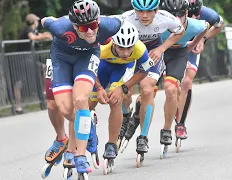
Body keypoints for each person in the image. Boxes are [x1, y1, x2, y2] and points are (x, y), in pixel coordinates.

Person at [41, 0, 122, 179]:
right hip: (61, 59)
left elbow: (125, 20)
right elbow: (44, 21)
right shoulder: (60, 27)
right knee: (67, 111)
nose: (90, 31)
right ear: (75, 26)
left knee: (80, 100)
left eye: (93, 25)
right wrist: (51, 19)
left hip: (87, 56)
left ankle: (80, 155)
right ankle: (88, 125)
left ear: (98, 21)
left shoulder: (111, 25)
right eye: (84, 28)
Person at [115, 0, 184, 164]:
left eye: (149, 11)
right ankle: (126, 116)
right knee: (125, 92)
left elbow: (180, 32)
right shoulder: (124, 18)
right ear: (134, 10)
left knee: (147, 90)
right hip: (129, 55)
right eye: (140, 11)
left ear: (157, 10)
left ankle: (143, 136)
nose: (144, 16)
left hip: (151, 54)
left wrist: (162, 48)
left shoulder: (166, 18)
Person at [88, 21, 154, 170]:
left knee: (115, 100)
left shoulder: (140, 49)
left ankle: (111, 144)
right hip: (103, 66)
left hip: (123, 70)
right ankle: (90, 132)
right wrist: (98, 88)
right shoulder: (102, 46)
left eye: (129, 48)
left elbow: (143, 71)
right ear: (113, 43)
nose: (125, 53)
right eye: (121, 48)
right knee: (89, 105)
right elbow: (88, 68)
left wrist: (123, 88)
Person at [159, 0, 209, 153]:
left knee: (186, 82)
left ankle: (180, 123)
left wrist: (198, 42)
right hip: (162, 50)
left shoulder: (200, 13)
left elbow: (213, 25)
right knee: (169, 89)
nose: (176, 18)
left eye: (180, 14)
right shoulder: (160, 18)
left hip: (184, 48)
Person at [175, 0, 224, 139]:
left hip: (191, 48)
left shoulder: (206, 12)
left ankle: (181, 124)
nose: (195, 17)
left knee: (186, 82)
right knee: (173, 86)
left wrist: (202, 39)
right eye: (190, 14)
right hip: (174, 47)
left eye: (197, 13)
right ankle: (174, 107)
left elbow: (219, 24)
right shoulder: (171, 9)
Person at [10, 13, 52, 114]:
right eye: (36, 21)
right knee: (43, 68)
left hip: (25, 58)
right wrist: (43, 36)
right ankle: (44, 93)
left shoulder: (32, 30)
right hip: (23, 58)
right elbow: (32, 37)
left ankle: (19, 106)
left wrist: (45, 35)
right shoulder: (28, 29)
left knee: (20, 82)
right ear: (33, 22)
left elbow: (37, 35)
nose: (37, 22)